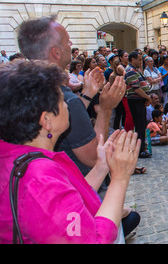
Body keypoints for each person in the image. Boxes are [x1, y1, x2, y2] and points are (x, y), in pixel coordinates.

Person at [0, 60, 140, 243]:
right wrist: (120, 178)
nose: (67, 105)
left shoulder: (19, 157)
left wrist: (101, 166)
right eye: (61, 100)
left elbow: (68, 202)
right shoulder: (40, 179)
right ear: (46, 120)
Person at [17, 15, 127, 183]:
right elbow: (92, 157)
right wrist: (105, 108)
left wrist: (87, 94)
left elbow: (68, 120)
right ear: (56, 52)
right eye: (67, 42)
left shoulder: (21, 90)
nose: (71, 45)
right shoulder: (63, 97)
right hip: (75, 185)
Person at [124, 51, 152, 158]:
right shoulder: (130, 71)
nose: (141, 62)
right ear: (133, 59)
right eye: (139, 60)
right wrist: (147, 97)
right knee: (139, 125)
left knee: (141, 124)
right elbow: (136, 88)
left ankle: (141, 147)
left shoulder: (137, 70)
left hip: (140, 100)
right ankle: (139, 150)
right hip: (135, 100)